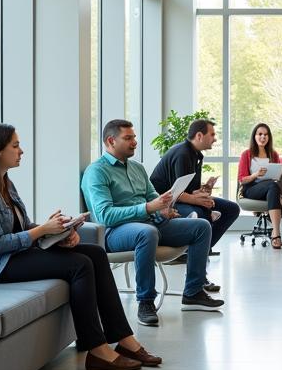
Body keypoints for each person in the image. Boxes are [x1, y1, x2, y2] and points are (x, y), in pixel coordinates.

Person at [0, 122, 161, 370]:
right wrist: (42, 231)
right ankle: (97, 349)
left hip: (10, 256)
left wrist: (59, 233)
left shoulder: (3, 182)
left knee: (95, 252)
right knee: (79, 265)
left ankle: (124, 339)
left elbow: (22, 226)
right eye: (15, 146)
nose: (21, 151)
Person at [82, 119, 223, 328]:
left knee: (201, 226)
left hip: (151, 223)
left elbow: (153, 196)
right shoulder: (97, 172)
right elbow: (104, 216)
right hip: (116, 232)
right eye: (128, 138)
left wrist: (164, 209)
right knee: (146, 232)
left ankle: (193, 293)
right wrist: (149, 208)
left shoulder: (137, 168)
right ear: (111, 141)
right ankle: (145, 301)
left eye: (134, 137)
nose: (134, 142)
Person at [150, 118, 241, 275]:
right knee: (201, 214)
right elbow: (175, 193)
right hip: (165, 203)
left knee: (231, 209)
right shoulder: (182, 154)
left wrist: (205, 191)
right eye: (212, 134)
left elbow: (190, 190)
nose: (215, 138)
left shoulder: (196, 154)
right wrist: (200, 201)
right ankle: (198, 261)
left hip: (181, 197)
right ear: (199, 135)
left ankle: (198, 251)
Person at [237, 122, 282, 250]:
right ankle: (278, 234)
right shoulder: (247, 154)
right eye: (260, 134)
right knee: (274, 187)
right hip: (252, 188)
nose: (263, 137)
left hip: (272, 188)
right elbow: (242, 180)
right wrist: (256, 174)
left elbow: (277, 175)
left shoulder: (273, 154)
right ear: (254, 136)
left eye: (266, 135)